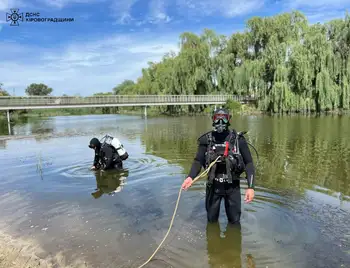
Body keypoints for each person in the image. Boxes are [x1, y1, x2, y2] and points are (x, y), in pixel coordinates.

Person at [182, 108, 256, 224]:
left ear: (229, 119)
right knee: (211, 221)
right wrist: (190, 177)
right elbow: (198, 160)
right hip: (213, 186)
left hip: (233, 188)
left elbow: (249, 163)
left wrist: (251, 187)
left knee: (235, 222)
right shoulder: (206, 140)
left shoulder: (238, 140)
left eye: (224, 118)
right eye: (217, 118)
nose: (220, 121)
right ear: (213, 119)